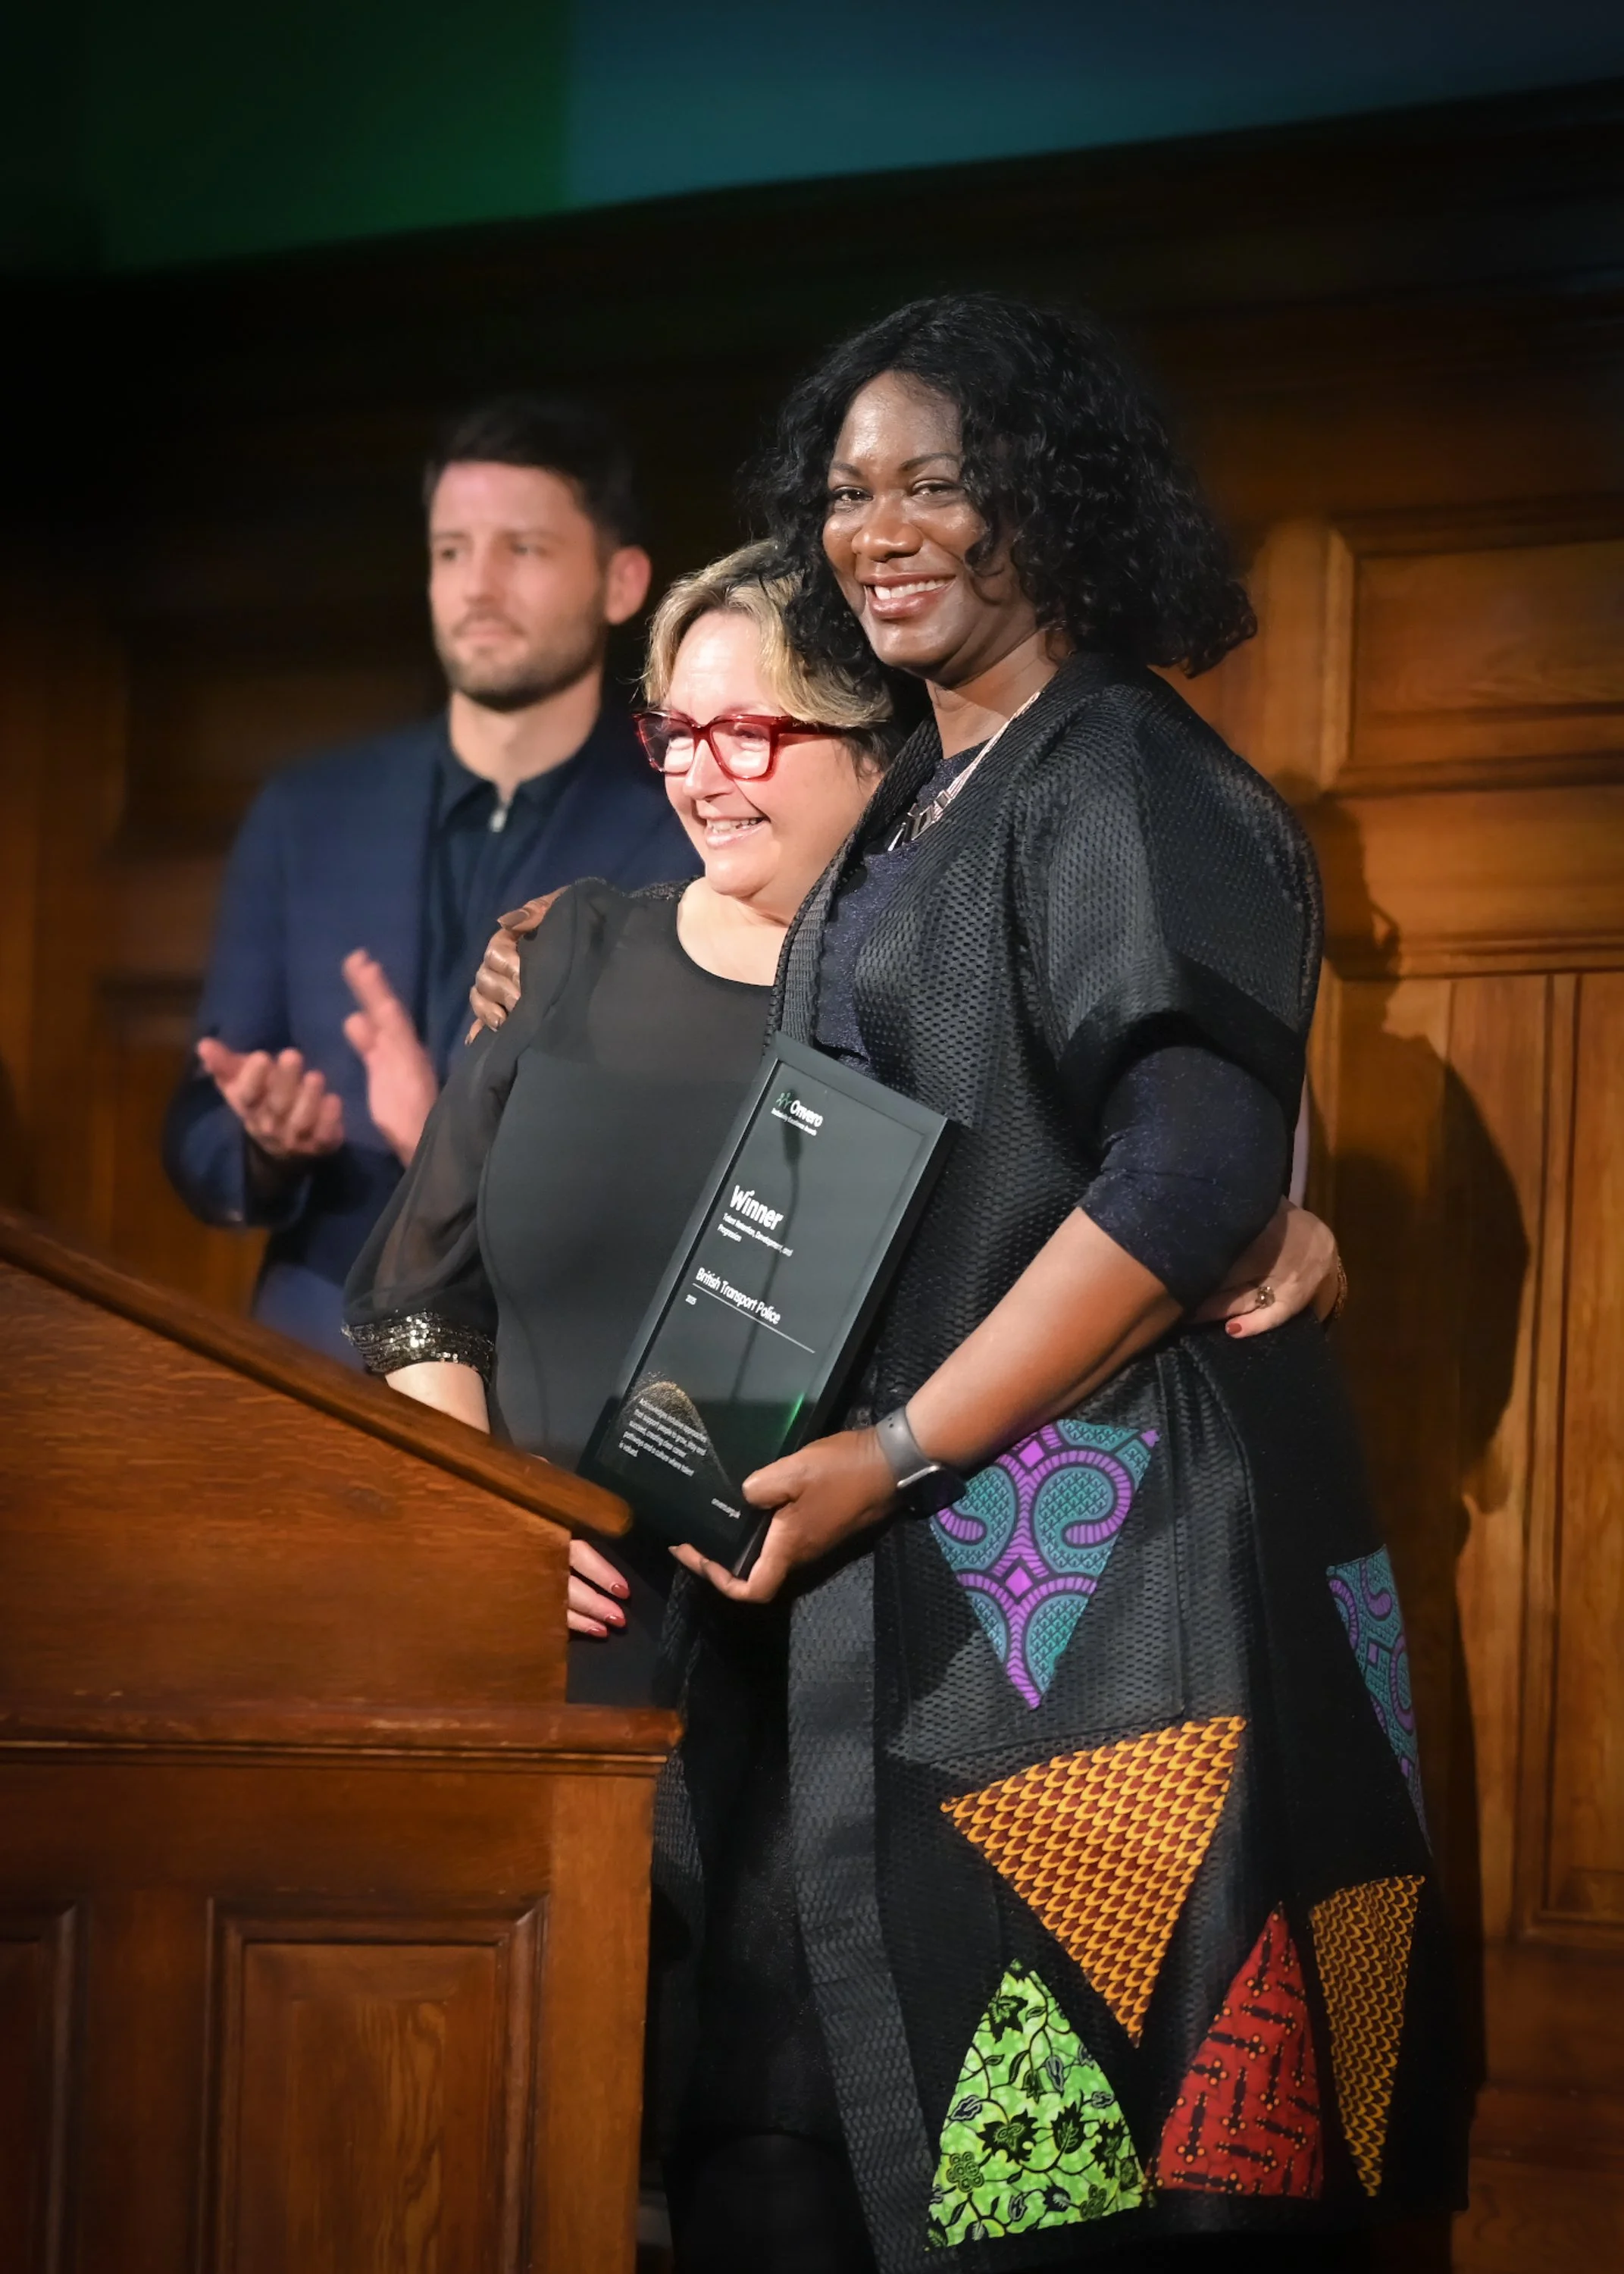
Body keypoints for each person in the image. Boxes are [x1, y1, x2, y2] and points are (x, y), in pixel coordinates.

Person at [346, 529, 1348, 2271]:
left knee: (787, 2167)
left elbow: (1173, 1167)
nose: (701, 771)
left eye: (757, 732)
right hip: (562, 1652)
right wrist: (490, 1507)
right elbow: (421, 1289)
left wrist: (1298, 1222)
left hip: (851, 1666)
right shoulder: (566, 950)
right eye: (675, 727)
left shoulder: (948, 994)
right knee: (538, 2158)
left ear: (879, 749)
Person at [162, 396, 699, 1359]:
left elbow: (685, 1171)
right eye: (452, 551)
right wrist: (264, 1145)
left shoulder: (687, 828)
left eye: (522, 549)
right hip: (304, 1364)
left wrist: (453, 1150)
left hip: (541, 1376)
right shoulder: (307, 813)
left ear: (621, 583)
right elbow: (199, 1132)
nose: (476, 587)